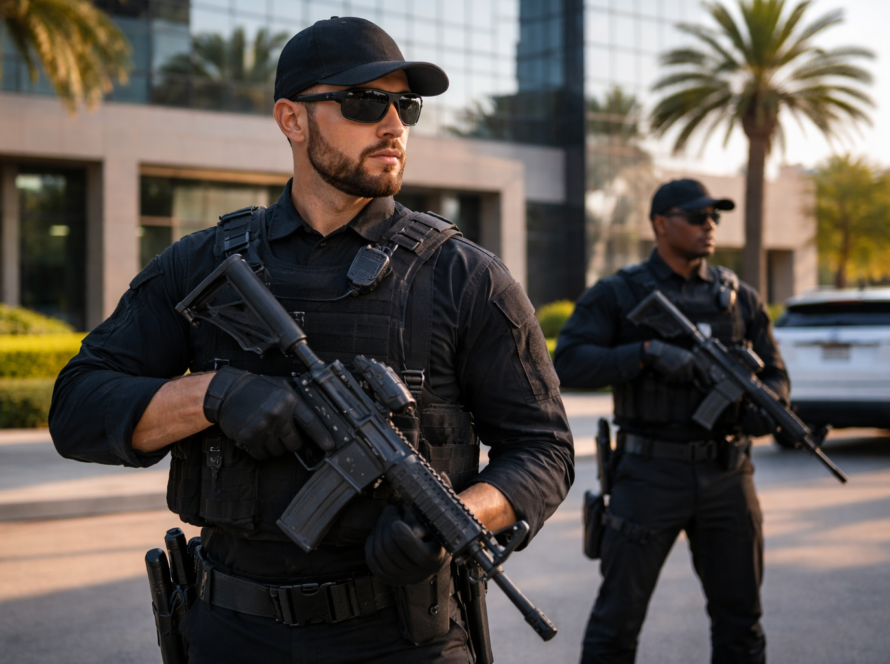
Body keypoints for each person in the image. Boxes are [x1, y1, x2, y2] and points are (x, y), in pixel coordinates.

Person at [49, 17, 573, 664]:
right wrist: (214, 395)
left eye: (404, 105)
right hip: (234, 631)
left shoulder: (465, 276)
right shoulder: (203, 264)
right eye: (362, 102)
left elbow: (544, 450)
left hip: (405, 636)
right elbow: (76, 408)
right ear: (292, 120)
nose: (393, 125)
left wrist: (455, 521)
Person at [555, 179, 788, 664]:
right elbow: (569, 362)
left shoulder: (740, 297)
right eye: (698, 216)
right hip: (648, 474)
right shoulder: (619, 293)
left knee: (741, 623)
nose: (710, 226)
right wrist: (645, 353)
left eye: (715, 218)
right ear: (661, 223)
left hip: (727, 473)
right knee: (616, 622)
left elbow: (777, 374)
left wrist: (764, 406)